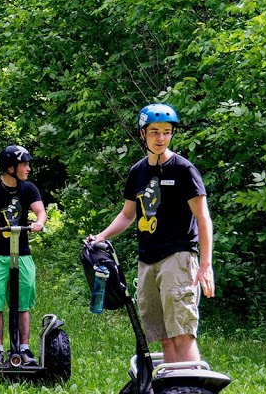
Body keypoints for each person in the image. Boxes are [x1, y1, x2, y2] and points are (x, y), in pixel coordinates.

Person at [88, 103, 214, 363]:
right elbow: (127, 215)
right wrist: (100, 237)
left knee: (182, 332)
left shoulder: (184, 170)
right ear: (143, 133)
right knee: (163, 335)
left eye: (166, 132)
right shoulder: (138, 171)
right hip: (147, 261)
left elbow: (203, 219)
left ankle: (190, 391)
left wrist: (205, 265)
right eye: (154, 131)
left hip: (177, 258)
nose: (161, 138)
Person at [0, 145, 47, 367]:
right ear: (10, 168)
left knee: (23, 300)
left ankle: (24, 348)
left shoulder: (29, 189)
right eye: (24, 164)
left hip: (21, 253)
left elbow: (40, 211)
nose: (28, 168)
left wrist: (39, 223)